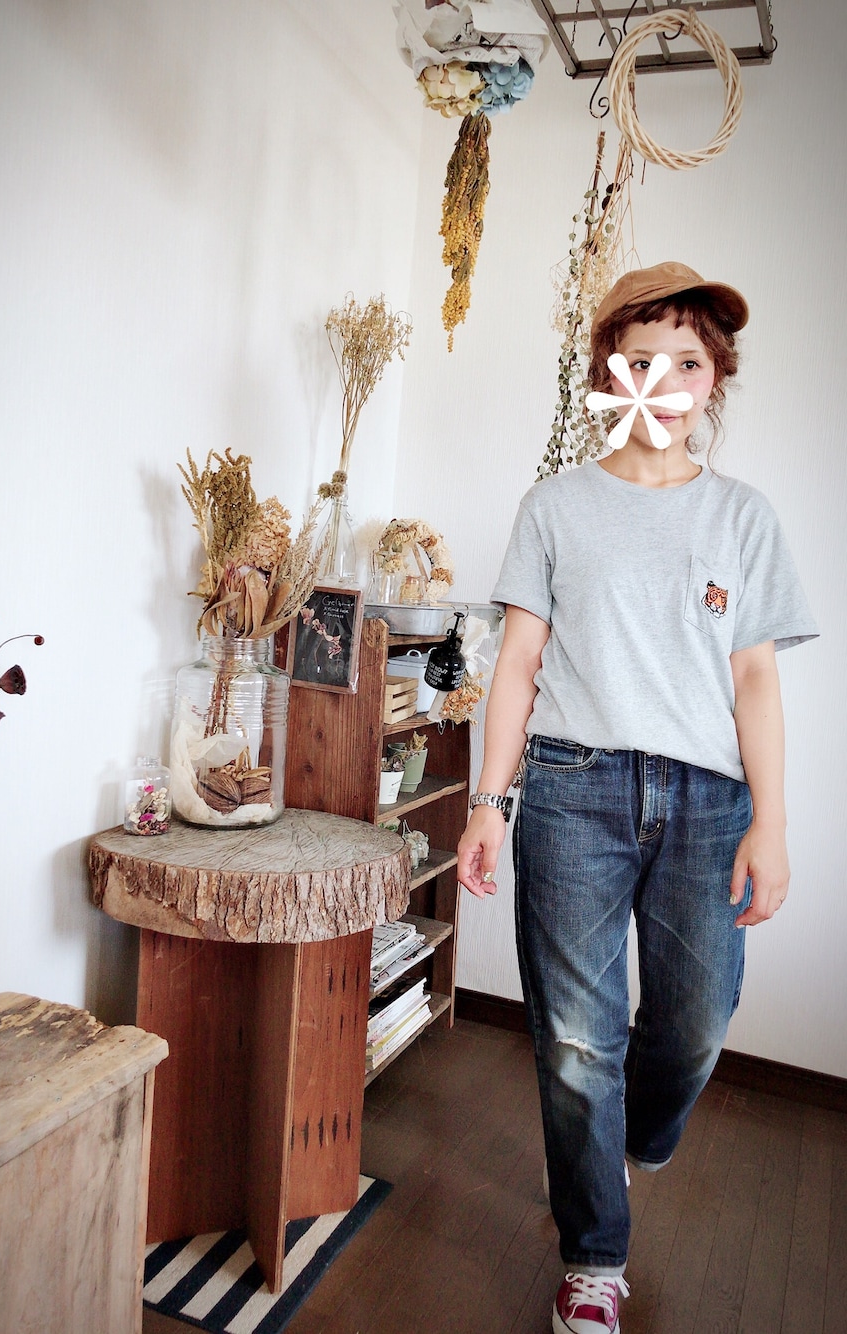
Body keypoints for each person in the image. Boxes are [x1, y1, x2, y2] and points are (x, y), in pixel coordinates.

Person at [456, 262, 818, 1334]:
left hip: (709, 802)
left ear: (715, 378)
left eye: (688, 361)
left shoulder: (742, 516)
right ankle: (594, 1259)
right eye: (639, 358)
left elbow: (756, 681)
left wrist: (772, 822)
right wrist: (487, 803)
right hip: (573, 788)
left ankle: (625, 1141)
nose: (664, 380)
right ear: (606, 372)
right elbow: (518, 666)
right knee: (577, 1039)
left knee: (696, 1023)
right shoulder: (556, 506)